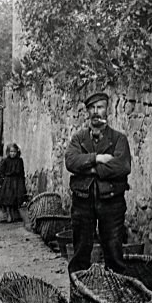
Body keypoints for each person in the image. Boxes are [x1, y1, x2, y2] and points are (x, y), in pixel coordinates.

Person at [65, 92, 132, 274]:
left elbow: (122, 166)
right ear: (87, 112)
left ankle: (115, 298)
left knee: (114, 254)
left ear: (107, 110)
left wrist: (90, 168)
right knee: (80, 254)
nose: (96, 112)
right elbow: (71, 161)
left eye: (100, 107)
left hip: (111, 201)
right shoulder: (79, 138)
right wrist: (98, 158)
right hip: (82, 201)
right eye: (92, 108)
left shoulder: (119, 139)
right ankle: (79, 297)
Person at [0, 143, 27, 223]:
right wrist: (1, 181)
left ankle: (15, 215)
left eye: (14, 152)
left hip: (17, 181)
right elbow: (1, 172)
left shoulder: (19, 161)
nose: (12, 153)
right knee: (8, 198)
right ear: (8, 152)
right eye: (11, 152)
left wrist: (22, 182)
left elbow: (22, 172)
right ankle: (9, 214)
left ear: (17, 152)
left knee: (16, 197)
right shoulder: (6, 161)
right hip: (8, 181)